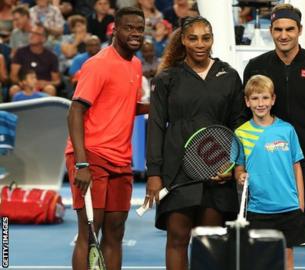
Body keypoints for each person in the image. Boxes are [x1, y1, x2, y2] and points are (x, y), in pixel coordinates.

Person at [243, 4, 305, 270]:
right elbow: (245, 121)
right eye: (278, 29)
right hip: (269, 167)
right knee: (274, 240)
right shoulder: (256, 66)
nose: (284, 35)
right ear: (270, 31)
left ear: (300, 30)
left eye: (290, 29)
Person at [143, 16, 245, 270]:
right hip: (177, 170)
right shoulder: (167, 77)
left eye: (206, 38)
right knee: (177, 238)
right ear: (183, 41)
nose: (200, 44)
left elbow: (239, 125)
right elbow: (155, 126)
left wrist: (233, 166)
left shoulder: (229, 76)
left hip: (216, 170)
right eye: (193, 38)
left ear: (212, 40)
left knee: (209, 240)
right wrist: (154, 174)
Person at [65, 7, 148, 270]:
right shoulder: (98, 64)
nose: (135, 33)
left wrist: (155, 106)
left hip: (121, 160)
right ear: (115, 30)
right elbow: (75, 110)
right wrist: (81, 163)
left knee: (116, 233)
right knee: (90, 234)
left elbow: (123, 106)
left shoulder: (135, 64)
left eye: (140, 28)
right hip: (91, 157)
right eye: (129, 28)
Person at [234, 75, 305, 270]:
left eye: (265, 98)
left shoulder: (287, 130)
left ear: (273, 99)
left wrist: (300, 201)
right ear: (247, 102)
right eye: (255, 98)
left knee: (286, 258)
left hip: (288, 206)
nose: (261, 103)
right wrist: (239, 176)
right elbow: (239, 166)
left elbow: (296, 166)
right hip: (258, 209)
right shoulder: (241, 133)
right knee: (261, 261)